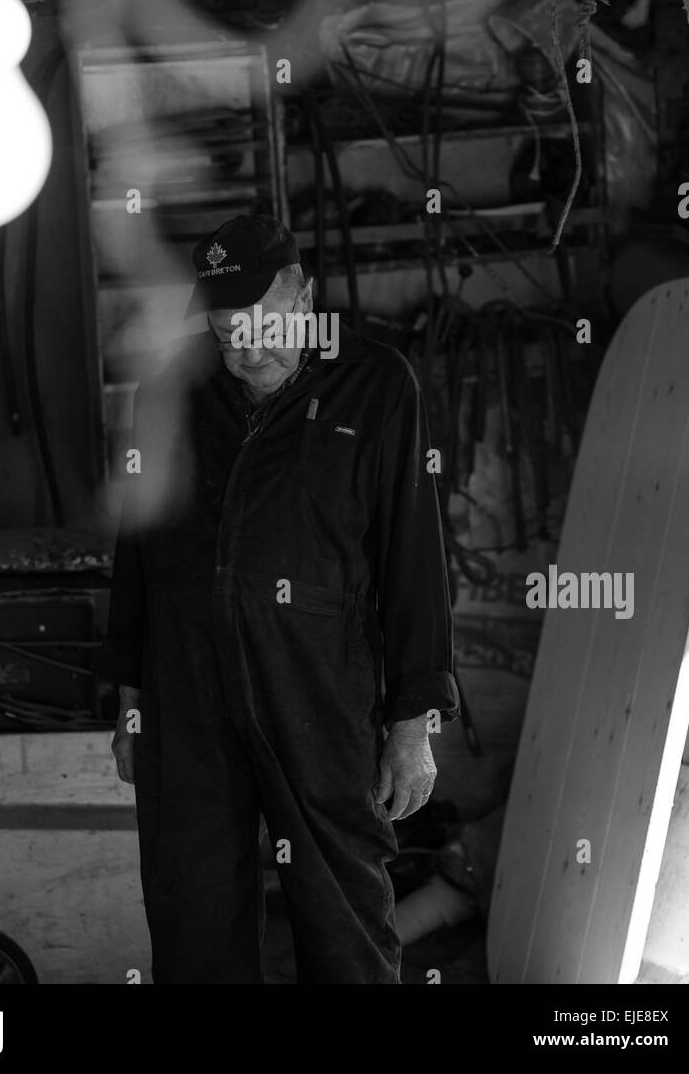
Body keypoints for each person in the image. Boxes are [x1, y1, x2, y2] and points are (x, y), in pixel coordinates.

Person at [99, 213, 458, 984]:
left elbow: (414, 565)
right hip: (186, 695)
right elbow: (137, 554)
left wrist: (412, 723)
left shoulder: (376, 383)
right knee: (192, 915)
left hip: (319, 690)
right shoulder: (175, 387)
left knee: (344, 922)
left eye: (261, 326)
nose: (246, 349)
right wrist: (131, 701)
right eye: (227, 332)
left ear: (304, 297)